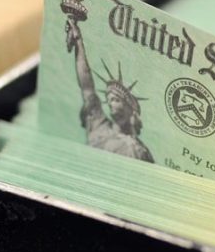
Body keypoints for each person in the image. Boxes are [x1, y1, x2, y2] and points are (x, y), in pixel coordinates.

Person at [65, 11, 154, 163]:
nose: (111, 103)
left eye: (116, 99)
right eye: (109, 99)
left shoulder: (139, 151)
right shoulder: (99, 125)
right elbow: (87, 86)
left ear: (129, 108)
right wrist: (79, 42)